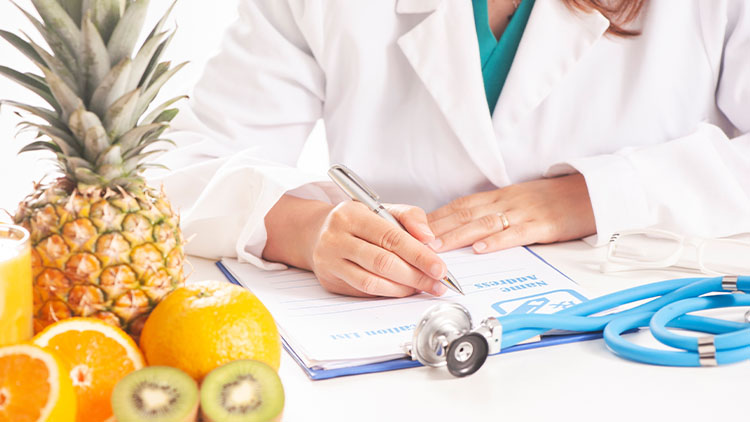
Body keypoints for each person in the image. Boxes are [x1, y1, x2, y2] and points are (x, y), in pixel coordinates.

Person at [152, 0, 750, 298]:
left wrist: (592, 196)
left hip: (645, 333)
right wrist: (303, 228)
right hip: (405, 338)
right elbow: (179, 165)